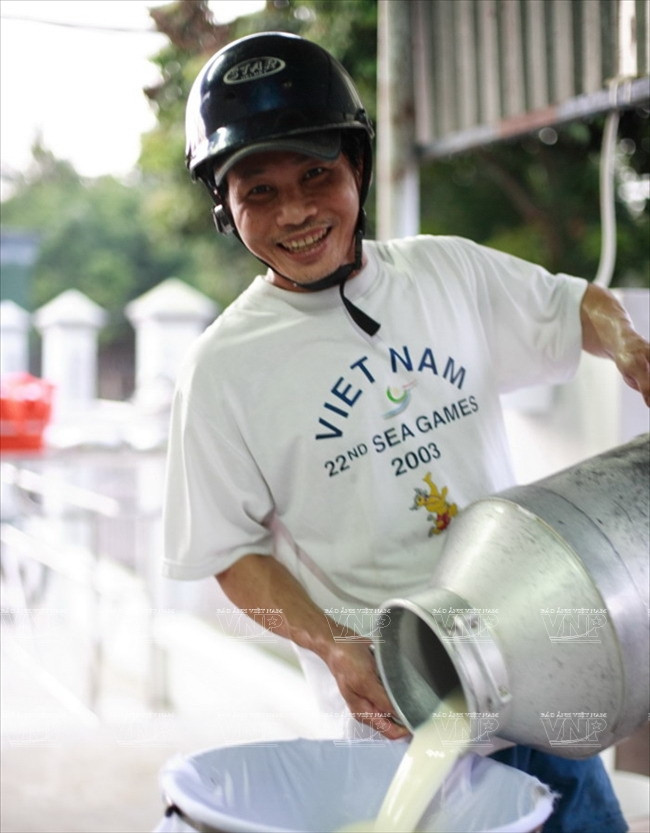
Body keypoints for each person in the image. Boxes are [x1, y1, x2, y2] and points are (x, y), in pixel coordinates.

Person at [163, 31, 648, 833]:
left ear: (356, 165)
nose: (295, 211)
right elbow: (228, 553)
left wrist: (629, 347)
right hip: (397, 712)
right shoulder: (222, 370)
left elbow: (572, 305)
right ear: (226, 207)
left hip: (540, 677)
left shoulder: (446, 273)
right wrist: (334, 646)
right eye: (259, 191)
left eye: (316, 174)